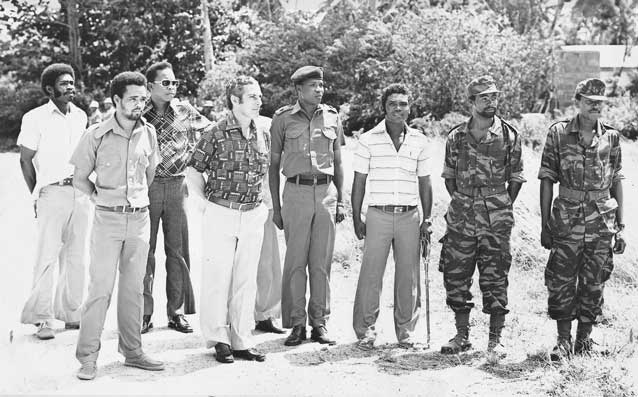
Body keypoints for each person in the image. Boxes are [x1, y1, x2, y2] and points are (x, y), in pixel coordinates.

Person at [71, 71, 163, 380]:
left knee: (134, 289)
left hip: (139, 219)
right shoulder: (95, 135)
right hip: (107, 220)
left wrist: (134, 200)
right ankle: (87, 358)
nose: (140, 104)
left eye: (143, 98)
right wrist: (103, 199)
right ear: (116, 100)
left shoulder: (148, 133)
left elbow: (149, 174)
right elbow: (80, 178)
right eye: (133, 98)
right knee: (100, 289)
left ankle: (133, 351)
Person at [538, 78, 626, 360]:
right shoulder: (559, 133)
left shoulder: (611, 137)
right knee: (562, 280)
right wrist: (544, 224)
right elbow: (547, 180)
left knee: (595, 280)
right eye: (590, 102)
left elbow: (616, 180)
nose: (595, 107)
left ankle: (584, 341)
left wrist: (620, 226)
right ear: (577, 102)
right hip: (567, 219)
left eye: (600, 103)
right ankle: (563, 341)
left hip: (601, 222)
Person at [439, 75, 525, 361]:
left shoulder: (510, 135)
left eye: (494, 97)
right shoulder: (456, 136)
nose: (492, 102)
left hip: (496, 217)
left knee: (495, 275)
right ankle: (462, 335)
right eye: (485, 98)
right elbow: (449, 178)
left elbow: (515, 178)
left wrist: (497, 203)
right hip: (461, 216)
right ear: (472, 102)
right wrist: (466, 199)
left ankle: (495, 339)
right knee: (456, 273)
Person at [186, 76, 269, 364]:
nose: (259, 101)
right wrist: (206, 204)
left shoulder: (263, 132)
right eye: (252, 97)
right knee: (217, 277)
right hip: (221, 211)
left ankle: (241, 339)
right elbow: (194, 170)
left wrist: (264, 205)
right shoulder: (215, 132)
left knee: (245, 280)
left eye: (259, 96)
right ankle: (219, 339)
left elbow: (264, 172)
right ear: (235, 100)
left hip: (253, 213)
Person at [351, 83, 432, 350]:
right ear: (383, 108)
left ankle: (406, 331)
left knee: (408, 276)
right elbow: (359, 183)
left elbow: (425, 183)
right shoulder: (368, 139)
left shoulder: (420, 140)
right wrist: (356, 217)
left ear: (409, 107)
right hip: (378, 215)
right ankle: (365, 330)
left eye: (403, 104)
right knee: (371, 275)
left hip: (409, 216)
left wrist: (427, 218)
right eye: (392, 104)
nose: (398, 108)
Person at [269, 65, 345, 347]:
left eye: (321, 85)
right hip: (296, 192)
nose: (319, 89)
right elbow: (274, 165)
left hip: (326, 192)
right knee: (296, 261)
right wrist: (276, 208)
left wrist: (341, 202)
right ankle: (297, 324)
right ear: (299, 90)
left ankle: (319, 322)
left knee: (321, 262)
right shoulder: (283, 119)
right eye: (313, 85)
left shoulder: (333, 117)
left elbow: (338, 161)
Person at [17, 63, 90, 340]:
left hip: (80, 193)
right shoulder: (34, 118)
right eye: (64, 83)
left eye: (72, 82)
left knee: (76, 256)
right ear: (50, 89)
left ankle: (72, 314)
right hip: (51, 193)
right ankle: (42, 318)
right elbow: (25, 159)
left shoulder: (80, 116)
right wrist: (39, 192)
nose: (70, 87)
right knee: (47, 256)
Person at [141, 61, 207, 334]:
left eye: (174, 83)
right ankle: (144, 314)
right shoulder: (139, 113)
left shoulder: (185, 111)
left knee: (177, 251)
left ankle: (176, 312)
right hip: (147, 188)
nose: (172, 87)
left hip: (178, 186)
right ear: (150, 86)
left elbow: (210, 134)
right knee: (145, 252)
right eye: (165, 83)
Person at [254, 115, 285, 335]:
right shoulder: (224, 124)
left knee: (267, 261)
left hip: (263, 200)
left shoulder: (268, 124)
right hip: (232, 205)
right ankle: (231, 316)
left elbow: (278, 162)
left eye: (257, 96)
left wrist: (275, 203)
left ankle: (265, 315)